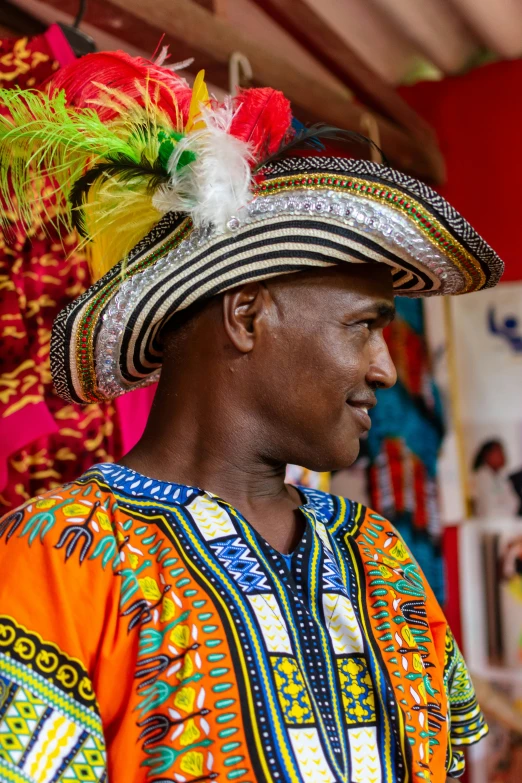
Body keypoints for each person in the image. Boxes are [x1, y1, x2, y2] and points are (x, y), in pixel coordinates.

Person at [0, 51, 503, 783]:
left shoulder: (382, 556)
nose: (385, 369)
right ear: (245, 314)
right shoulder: (54, 559)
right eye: (364, 326)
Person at [472, 439, 520, 518]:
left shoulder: (501, 476)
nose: (503, 455)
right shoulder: (481, 478)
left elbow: (514, 502)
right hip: (491, 526)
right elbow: (489, 510)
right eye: (499, 452)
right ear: (487, 455)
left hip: (506, 522)